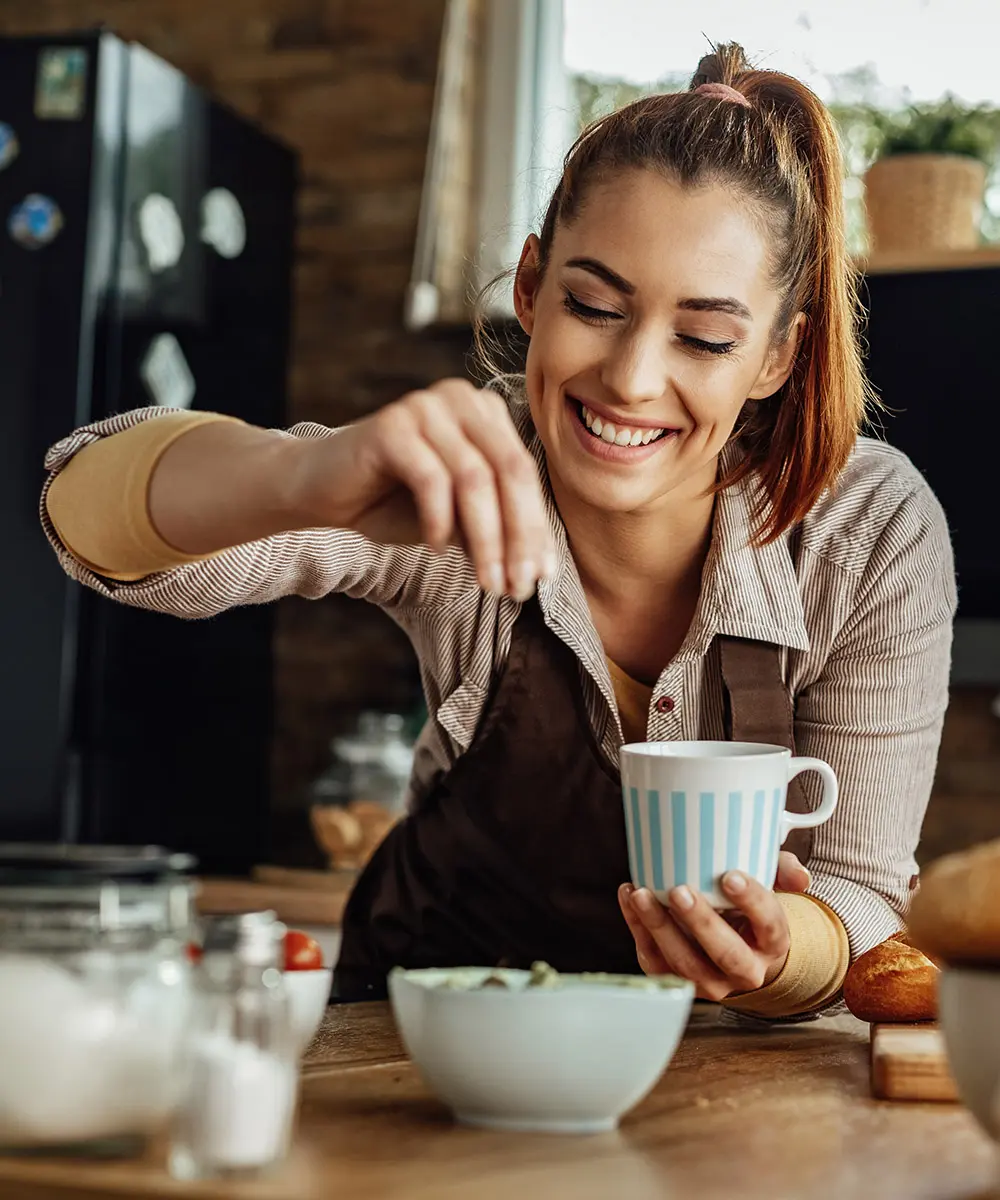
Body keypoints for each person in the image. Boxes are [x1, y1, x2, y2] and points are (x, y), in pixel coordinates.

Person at [41, 44, 956, 1018]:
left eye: (703, 336)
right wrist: (305, 475)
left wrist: (776, 958)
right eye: (594, 306)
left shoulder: (869, 528)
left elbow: (860, 897)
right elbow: (79, 513)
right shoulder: (460, 471)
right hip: (424, 1044)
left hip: (720, 1075)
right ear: (531, 286)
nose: (633, 378)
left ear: (777, 353)